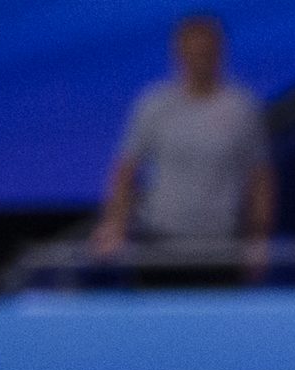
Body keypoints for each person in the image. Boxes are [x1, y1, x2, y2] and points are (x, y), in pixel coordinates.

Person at [92, 13, 274, 283]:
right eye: (193, 51)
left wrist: (259, 238)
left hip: (220, 247)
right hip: (159, 243)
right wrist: (114, 224)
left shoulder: (241, 107)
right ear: (179, 54)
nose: (200, 58)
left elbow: (261, 178)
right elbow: (126, 169)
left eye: (206, 51)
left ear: (219, 52)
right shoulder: (154, 104)